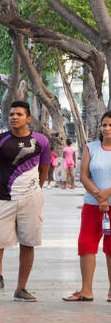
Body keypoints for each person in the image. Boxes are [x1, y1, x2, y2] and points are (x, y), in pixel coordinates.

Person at [0, 101, 51, 304]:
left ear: (28, 118)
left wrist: (33, 189)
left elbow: (44, 169)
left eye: (19, 114)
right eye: (11, 114)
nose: (14, 117)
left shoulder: (41, 141)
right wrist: (10, 185)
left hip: (32, 199)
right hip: (4, 199)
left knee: (28, 243)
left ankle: (21, 289)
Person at [64, 112, 111, 301]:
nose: (106, 128)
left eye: (110, 125)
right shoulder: (91, 147)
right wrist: (99, 197)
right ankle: (86, 290)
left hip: (107, 203)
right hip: (92, 205)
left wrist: (106, 196)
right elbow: (83, 175)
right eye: (104, 125)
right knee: (85, 244)